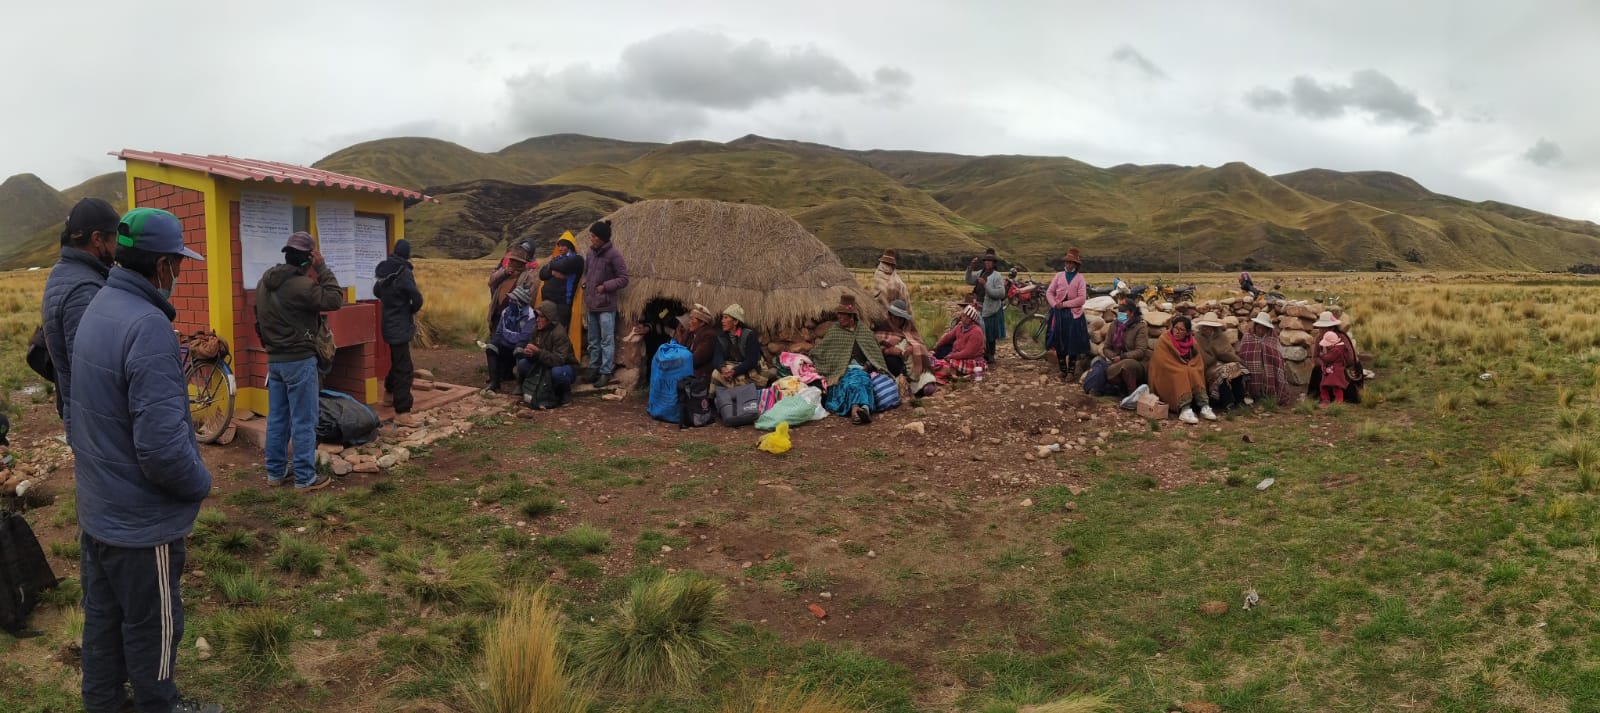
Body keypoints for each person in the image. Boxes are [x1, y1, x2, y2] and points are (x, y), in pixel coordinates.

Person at [70, 207, 220, 713]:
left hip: (99, 511)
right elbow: (162, 451)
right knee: (155, 626)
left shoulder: (99, 306)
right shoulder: (149, 326)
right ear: (160, 266)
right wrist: (201, 482)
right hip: (140, 524)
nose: (178, 272)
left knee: (104, 624)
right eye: (176, 262)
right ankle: (161, 706)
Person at [255, 231, 343, 491]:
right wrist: (323, 267)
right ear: (307, 259)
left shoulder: (264, 282)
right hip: (299, 360)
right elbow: (335, 299)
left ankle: (275, 473)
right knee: (304, 420)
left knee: (277, 418)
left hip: (275, 360)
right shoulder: (302, 286)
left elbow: (257, 317)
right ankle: (305, 478)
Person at [42, 197, 119, 433]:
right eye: (115, 236)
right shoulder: (84, 290)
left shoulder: (65, 271)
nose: (119, 245)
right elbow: (92, 373)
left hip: (82, 416)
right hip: (95, 423)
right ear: (97, 239)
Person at [810, 294, 887, 424]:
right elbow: (821, 351)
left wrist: (867, 365)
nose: (839, 316)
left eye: (842, 314)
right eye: (838, 313)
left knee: (861, 380)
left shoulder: (864, 332)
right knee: (854, 383)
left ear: (851, 317)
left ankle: (857, 412)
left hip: (861, 370)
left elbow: (874, 354)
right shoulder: (835, 331)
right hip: (841, 372)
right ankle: (862, 410)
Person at [373, 238, 423, 415]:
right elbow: (416, 297)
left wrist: (389, 301)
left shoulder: (385, 269)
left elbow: (376, 291)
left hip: (387, 322)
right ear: (407, 254)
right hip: (401, 324)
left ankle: (388, 393)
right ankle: (403, 410)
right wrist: (409, 309)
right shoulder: (404, 272)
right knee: (405, 368)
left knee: (398, 359)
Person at [582, 219, 629, 388]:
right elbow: (586, 272)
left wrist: (605, 287)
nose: (591, 238)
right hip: (591, 303)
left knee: (606, 340)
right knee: (593, 339)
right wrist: (585, 282)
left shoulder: (614, 255)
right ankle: (593, 368)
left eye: (593, 236)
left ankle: (605, 372)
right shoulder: (590, 253)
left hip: (606, 306)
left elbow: (623, 279)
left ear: (601, 237)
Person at [1148, 315, 1216, 425]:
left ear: (1188, 332)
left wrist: (1190, 365)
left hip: (1185, 367)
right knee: (1181, 372)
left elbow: (1197, 360)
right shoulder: (1164, 340)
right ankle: (1185, 409)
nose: (1177, 332)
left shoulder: (1192, 342)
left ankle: (1204, 406)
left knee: (1193, 371)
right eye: (1175, 328)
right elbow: (1161, 361)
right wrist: (1182, 366)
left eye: (1181, 330)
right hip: (1166, 373)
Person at [516, 301, 579, 409]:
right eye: (536, 316)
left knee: (556, 373)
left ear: (549, 318)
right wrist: (529, 354)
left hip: (564, 367)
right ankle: (525, 388)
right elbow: (533, 350)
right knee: (522, 364)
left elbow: (559, 360)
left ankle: (564, 394)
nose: (537, 319)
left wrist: (538, 352)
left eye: (541, 316)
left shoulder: (559, 333)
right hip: (544, 364)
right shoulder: (536, 329)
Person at [1045, 248, 1090, 380]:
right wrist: (1054, 304)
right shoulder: (1058, 276)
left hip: (1074, 315)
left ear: (1076, 265)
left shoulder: (1080, 279)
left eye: (1071, 263)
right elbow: (1049, 292)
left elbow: (1082, 299)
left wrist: (1064, 304)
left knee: (1072, 342)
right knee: (1059, 341)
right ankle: (1063, 370)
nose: (1069, 265)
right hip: (1058, 314)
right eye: (1067, 262)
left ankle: (1071, 372)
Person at [486, 286, 536, 393]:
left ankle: (520, 385)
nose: (510, 301)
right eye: (510, 299)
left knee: (519, 349)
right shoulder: (506, 312)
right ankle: (494, 382)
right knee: (491, 346)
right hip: (506, 344)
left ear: (521, 302)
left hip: (519, 346)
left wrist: (507, 339)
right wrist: (501, 342)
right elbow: (499, 332)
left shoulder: (530, 316)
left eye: (513, 300)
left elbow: (524, 337)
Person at [1238, 313, 1295, 406]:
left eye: (1263, 328)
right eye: (1258, 327)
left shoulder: (1273, 339)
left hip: (1268, 373)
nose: (1260, 330)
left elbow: (1278, 358)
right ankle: (1252, 394)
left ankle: (1269, 395)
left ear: (1267, 329)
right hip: (1252, 373)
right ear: (1255, 326)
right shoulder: (1247, 337)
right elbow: (1244, 356)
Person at [1195, 312, 1248, 411]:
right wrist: (1216, 357)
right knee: (1221, 374)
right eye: (1206, 326)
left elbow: (1227, 352)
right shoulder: (1198, 338)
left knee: (1236, 368)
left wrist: (1237, 360)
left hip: (1223, 363)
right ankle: (1228, 403)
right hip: (1208, 367)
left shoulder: (1220, 336)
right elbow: (1201, 356)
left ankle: (1239, 400)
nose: (1208, 329)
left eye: (1210, 326)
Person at [874, 299, 934, 386]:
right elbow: (874, 347)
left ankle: (915, 380)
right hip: (893, 362)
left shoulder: (909, 326)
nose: (898, 321)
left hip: (912, 362)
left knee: (928, 383)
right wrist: (888, 351)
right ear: (890, 316)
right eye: (895, 318)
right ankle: (902, 382)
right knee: (892, 362)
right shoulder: (883, 326)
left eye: (901, 319)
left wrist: (913, 348)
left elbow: (919, 343)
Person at [712, 304, 772, 390]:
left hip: (752, 369)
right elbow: (717, 356)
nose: (722, 321)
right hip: (732, 367)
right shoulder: (722, 336)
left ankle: (735, 398)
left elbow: (752, 360)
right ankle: (713, 401)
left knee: (736, 380)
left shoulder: (748, 335)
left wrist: (734, 371)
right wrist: (722, 368)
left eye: (726, 318)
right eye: (722, 318)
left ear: (735, 322)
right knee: (716, 374)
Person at [964, 248, 1007, 362]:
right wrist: (970, 267)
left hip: (991, 309)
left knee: (990, 332)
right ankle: (981, 353)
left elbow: (1000, 293)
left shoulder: (997, 276)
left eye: (990, 261)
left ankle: (990, 355)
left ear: (993, 263)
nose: (987, 262)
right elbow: (968, 280)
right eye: (986, 260)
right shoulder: (981, 272)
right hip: (979, 306)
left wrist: (986, 284)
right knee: (980, 331)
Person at [1102, 300, 1151, 395]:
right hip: (1115, 360)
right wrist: (1113, 356)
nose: (1121, 314)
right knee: (1098, 364)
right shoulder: (1114, 325)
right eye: (1120, 311)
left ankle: (1131, 395)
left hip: (1136, 363)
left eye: (1124, 312)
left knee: (1126, 365)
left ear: (1132, 313)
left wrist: (1122, 357)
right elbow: (1106, 347)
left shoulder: (1140, 327)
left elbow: (1140, 351)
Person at [486, 240, 533, 335]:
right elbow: (491, 282)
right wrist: (504, 273)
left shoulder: (527, 277)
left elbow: (527, 300)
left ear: (521, 263)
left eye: (516, 261)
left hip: (513, 319)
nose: (512, 263)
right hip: (496, 314)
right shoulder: (504, 272)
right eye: (511, 260)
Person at [538, 235, 585, 326]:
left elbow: (565, 266)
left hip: (562, 303)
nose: (560, 248)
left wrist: (551, 265)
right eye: (559, 246)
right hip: (548, 301)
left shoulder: (577, 259)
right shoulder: (557, 259)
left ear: (570, 246)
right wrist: (553, 273)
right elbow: (542, 274)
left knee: (559, 328)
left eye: (563, 245)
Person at [1312, 311, 1356, 406]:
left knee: (1337, 373)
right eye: (1320, 327)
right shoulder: (1319, 338)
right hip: (1326, 366)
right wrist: (1323, 364)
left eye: (1323, 327)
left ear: (1331, 327)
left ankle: (1339, 398)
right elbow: (1315, 357)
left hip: (1342, 366)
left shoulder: (1342, 337)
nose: (1320, 329)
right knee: (1317, 371)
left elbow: (1350, 358)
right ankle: (1324, 398)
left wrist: (1337, 364)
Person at [934, 305, 987, 378]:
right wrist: (936, 346)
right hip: (958, 355)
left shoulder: (976, 332)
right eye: (963, 316)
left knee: (947, 364)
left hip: (972, 359)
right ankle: (953, 372)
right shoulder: (959, 326)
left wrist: (952, 356)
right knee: (939, 359)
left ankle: (957, 374)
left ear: (972, 321)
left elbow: (968, 352)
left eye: (968, 318)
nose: (964, 319)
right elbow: (948, 337)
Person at [674, 303, 718, 380]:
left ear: (702, 323)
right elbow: (680, 349)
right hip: (687, 371)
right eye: (690, 319)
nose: (689, 322)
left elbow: (695, 359)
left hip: (699, 376)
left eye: (692, 319)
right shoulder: (690, 333)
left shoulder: (709, 335)